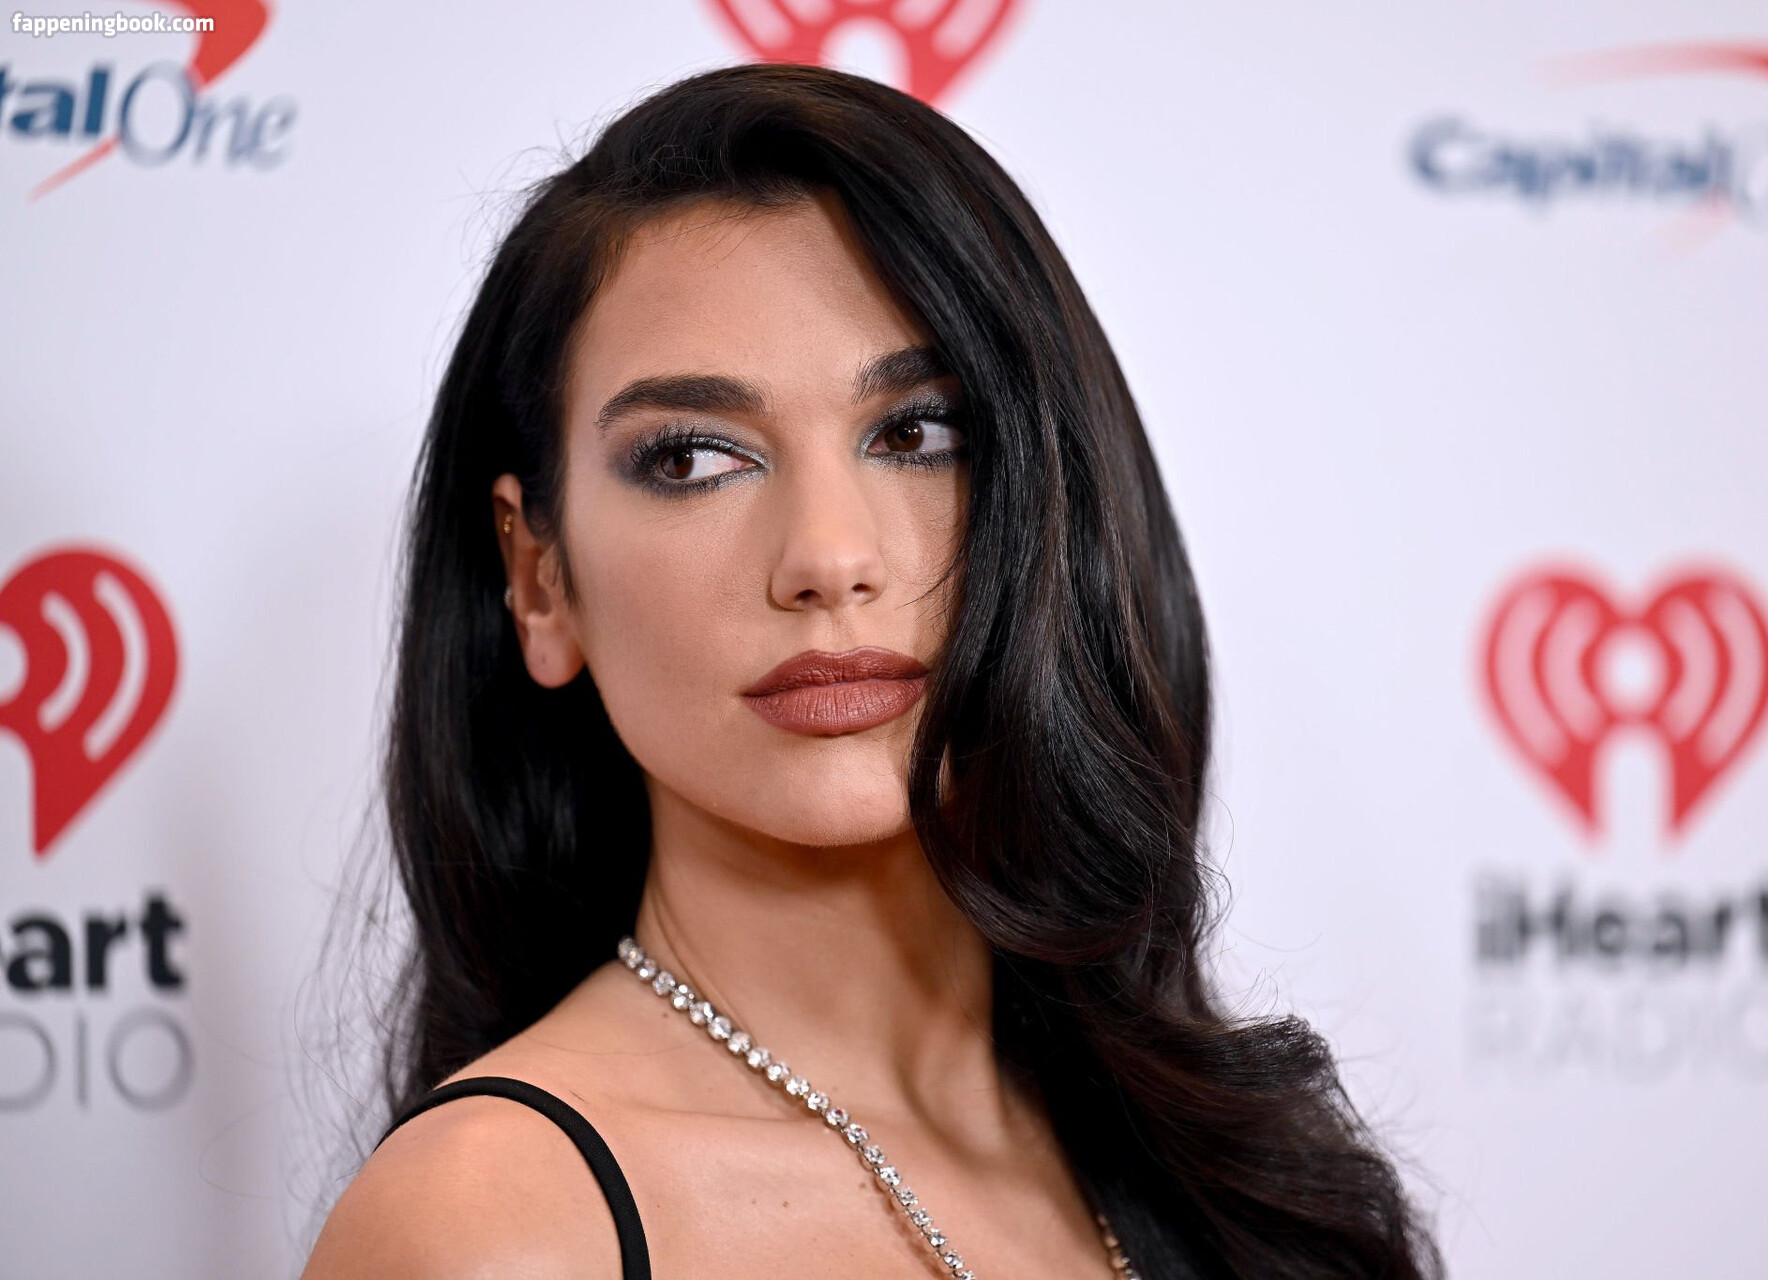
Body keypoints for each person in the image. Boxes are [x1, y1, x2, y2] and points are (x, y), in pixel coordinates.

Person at [302, 63, 1441, 1280]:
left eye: (916, 433)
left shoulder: (1212, 1159)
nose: (828, 558)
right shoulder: (492, 1228)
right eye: (692, 459)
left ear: (1051, 487)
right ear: (538, 577)